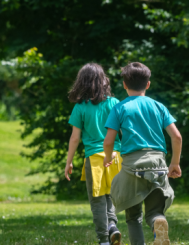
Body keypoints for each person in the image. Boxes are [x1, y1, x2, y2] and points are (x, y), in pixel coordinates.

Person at [103, 62, 182, 245]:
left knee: (133, 216)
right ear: (148, 84)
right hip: (159, 164)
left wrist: (108, 157)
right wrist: (175, 163)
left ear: (124, 84)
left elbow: (108, 141)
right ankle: (157, 223)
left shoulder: (119, 108)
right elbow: (176, 137)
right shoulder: (159, 107)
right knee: (155, 212)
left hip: (133, 166)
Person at [65, 63, 123, 245]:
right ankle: (112, 226)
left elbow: (75, 138)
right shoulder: (114, 103)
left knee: (97, 201)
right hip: (115, 156)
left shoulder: (80, 107)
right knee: (111, 196)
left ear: (81, 82)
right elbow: (125, 131)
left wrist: (69, 162)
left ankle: (104, 240)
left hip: (94, 159)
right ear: (103, 81)